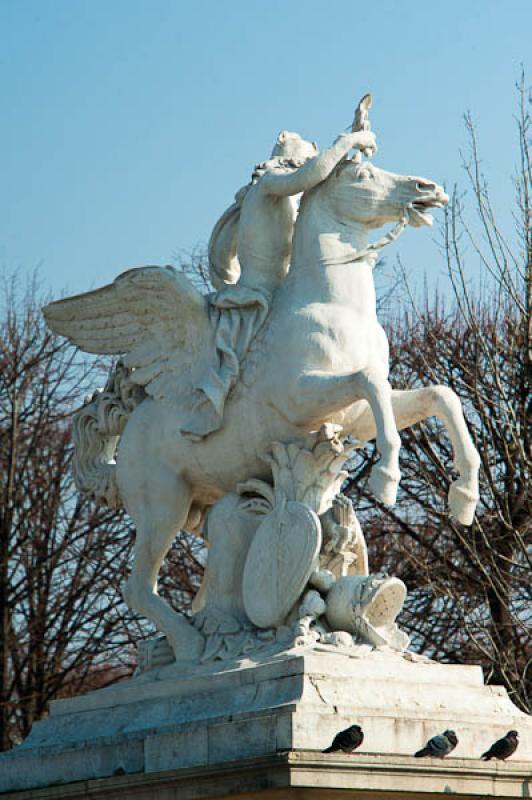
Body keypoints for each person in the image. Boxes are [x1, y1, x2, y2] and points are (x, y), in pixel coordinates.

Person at [181, 125, 377, 440]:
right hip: (260, 298)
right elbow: (311, 176)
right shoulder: (269, 186)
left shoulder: (289, 202)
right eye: (308, 160)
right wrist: (348, 141)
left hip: (285, 295)